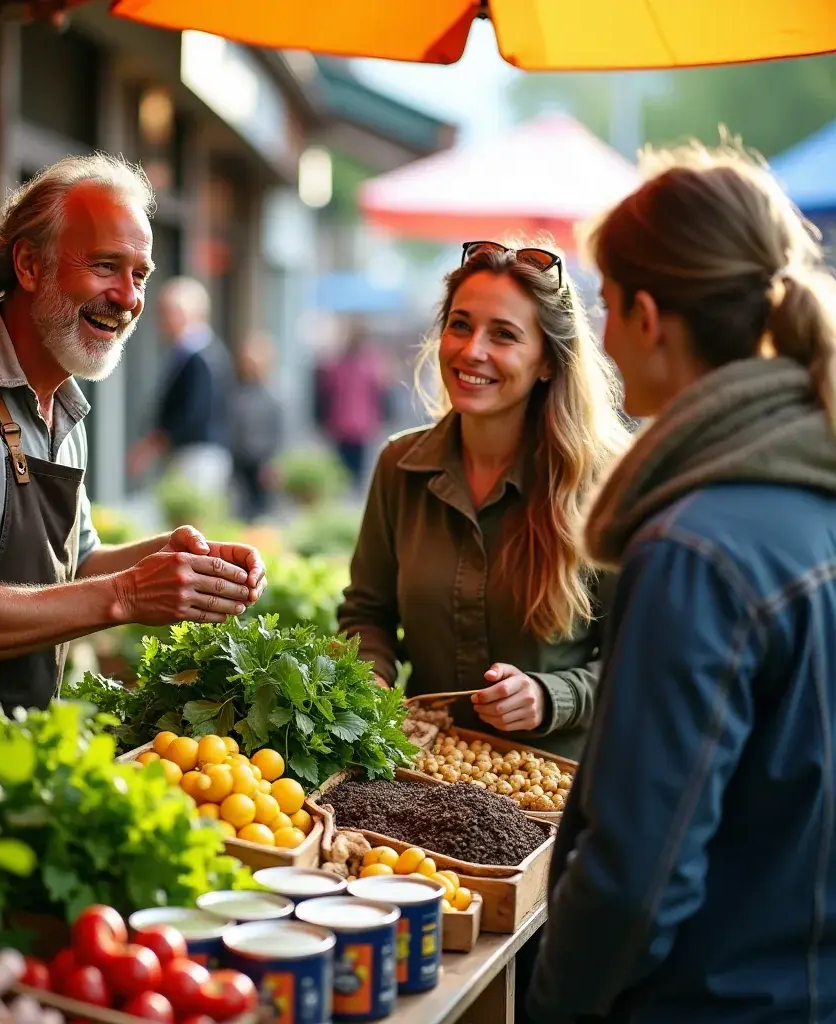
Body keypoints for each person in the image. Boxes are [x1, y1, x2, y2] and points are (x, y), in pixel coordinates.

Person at [527, 144, 836, 1022]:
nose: (604, 333)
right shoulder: (814, 493)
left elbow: (634, 880)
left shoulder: (697, 550)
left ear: (650, 315)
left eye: (606, 303)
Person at [0, 154, 265, 736]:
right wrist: (129, 594)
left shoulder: (61, 404)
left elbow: (77, 564)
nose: (128, 297)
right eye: (106, 265)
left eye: (140, 275)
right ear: (30, 265)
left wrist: (180, 559)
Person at [338, 242, 629, 761]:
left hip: (552, 788)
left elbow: (642, 659)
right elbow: (367, 612)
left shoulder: (603, 483)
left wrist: (550, 695)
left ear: (546, 362)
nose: (473, 350)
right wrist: (372, 678)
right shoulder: (398, 466)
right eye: (461, 325)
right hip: (419, 768)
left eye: (504, 335)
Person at [129, 277, 234, 496]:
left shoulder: (201, 357)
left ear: (190, 313)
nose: (162, 321)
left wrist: (154, 444)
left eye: (168, 312)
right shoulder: (194, 353)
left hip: (196, 458)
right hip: (195, 456)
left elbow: (193, 414)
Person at [314, 327, 390, 490]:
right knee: (355, 466)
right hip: (359, 424)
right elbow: (381, 393)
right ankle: (352, 491)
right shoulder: (369, 366)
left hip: (343, 424)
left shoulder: (337, 366)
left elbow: (325, 394)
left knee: (343, 465)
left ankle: (346, 490)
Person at [230, 331, 284, 521]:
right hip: (238, 459)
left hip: (262, 461)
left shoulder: (272, 396)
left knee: (262, 512)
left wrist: (273, 462)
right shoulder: (236, 392)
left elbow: (279, 432)